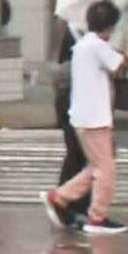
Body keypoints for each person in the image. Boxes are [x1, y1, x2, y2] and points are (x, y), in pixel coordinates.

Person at [40, 0, 128, 235]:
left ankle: (59, 197)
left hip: (83, 117)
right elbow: (121, 67)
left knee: (95, 168)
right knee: (106, 169)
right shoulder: (97, 46)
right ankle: (97, 217)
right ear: (109, 26)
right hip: (95, 119)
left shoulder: (83, 45)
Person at [49, 16, 90, 225]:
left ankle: (68, 202)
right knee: (82, 155)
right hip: (75, 100)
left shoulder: (73, 30)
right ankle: (66, 201)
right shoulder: (81, 35)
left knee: (78, 154)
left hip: (72, 99)